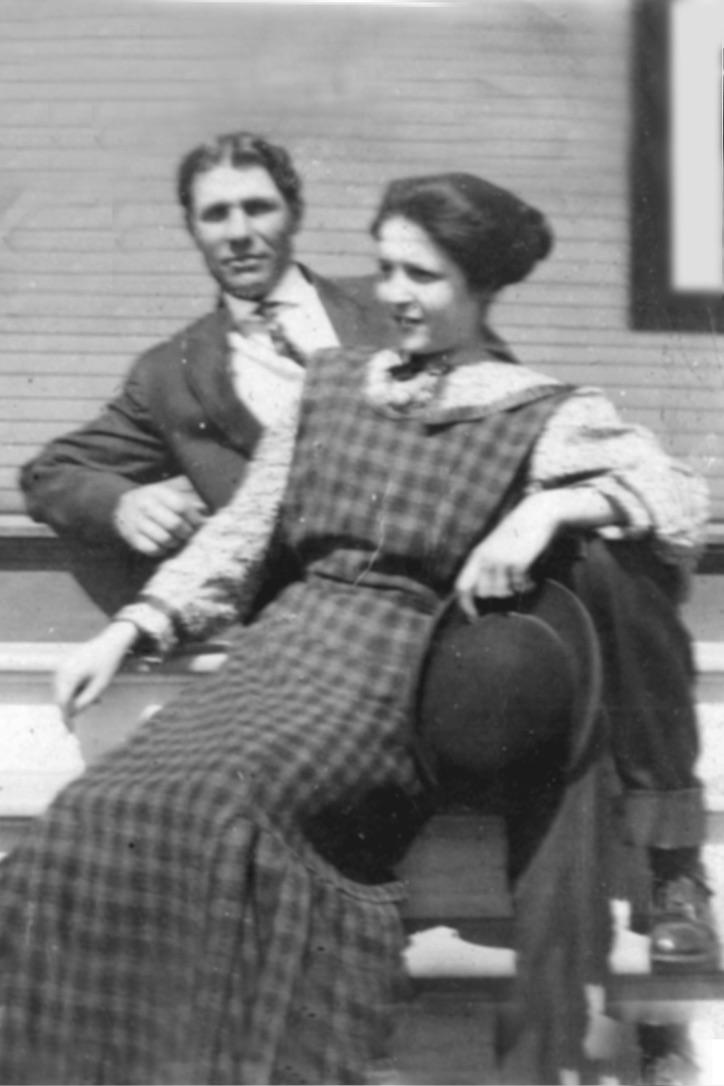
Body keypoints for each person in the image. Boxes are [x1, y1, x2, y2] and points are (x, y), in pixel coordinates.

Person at [0, 172, 709, 1084]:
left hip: (388, 676)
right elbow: (245, 531)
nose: (396, 294)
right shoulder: (330, 384)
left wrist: (550, 510)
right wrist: (132, 627)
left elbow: (678, 498)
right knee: (99, 807)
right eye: (387, 269)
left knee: (220, 809)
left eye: (425, 275)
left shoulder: (544, 410)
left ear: (481, 287)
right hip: (280, 652)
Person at [18, 130, 396, 614]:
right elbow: (49, 474)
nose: (238, 232)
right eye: (216, 214)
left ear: (294, 213)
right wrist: (122, 503)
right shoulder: (167, 376)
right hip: (300, 623)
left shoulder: (393, 303)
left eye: (258, 207)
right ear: (194, 230)